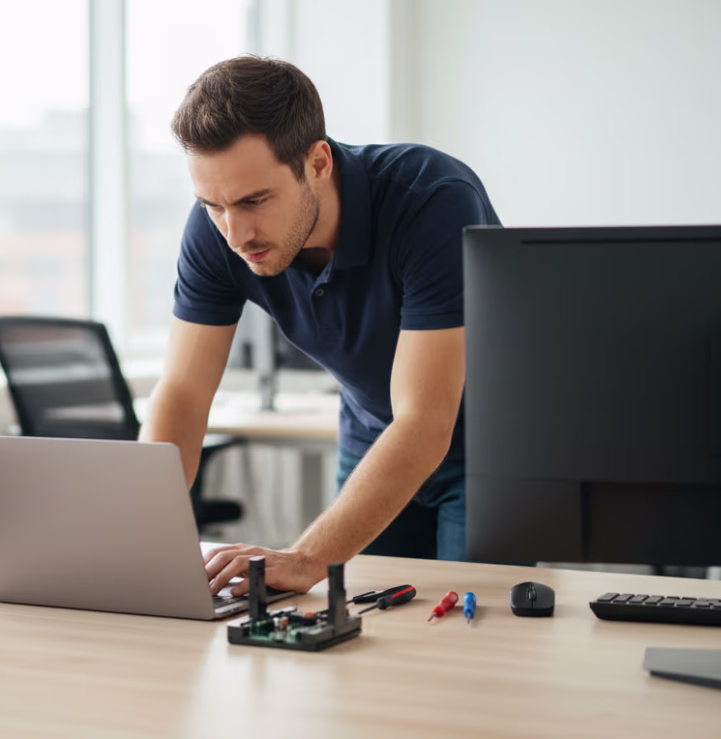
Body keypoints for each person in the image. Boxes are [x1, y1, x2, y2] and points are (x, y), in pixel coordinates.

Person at [139, 56, 500, 596]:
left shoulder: (432, 200)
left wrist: (306, 557)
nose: (234, 233)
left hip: (489, 451)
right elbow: (185, 394)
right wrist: (139, 545)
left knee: (475, 646)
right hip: (374, 436)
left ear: (318, 162)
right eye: (212, 205)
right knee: (363, 632)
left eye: (254, 200)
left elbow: (426, 421)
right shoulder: (217, 231)